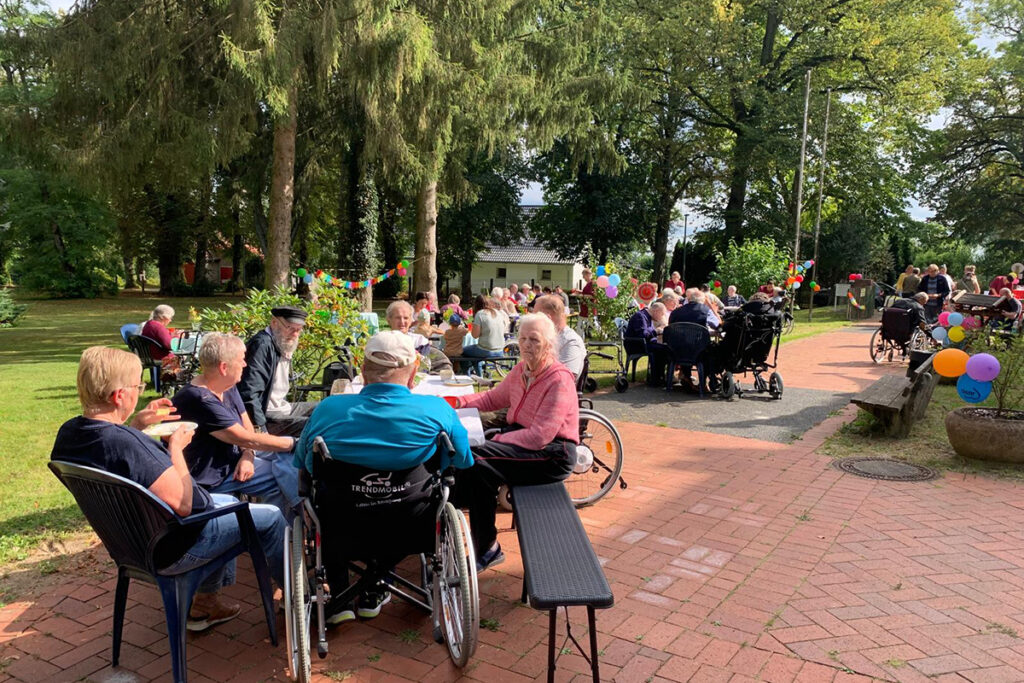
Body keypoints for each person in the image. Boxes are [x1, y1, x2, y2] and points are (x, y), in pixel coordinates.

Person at [52, 347, 285, 632]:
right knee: (271, 516)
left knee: (225, 499)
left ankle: (205, 605)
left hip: (129, 542)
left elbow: (116, 453)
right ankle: (299, 596)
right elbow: (186, 504)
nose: (141, 390)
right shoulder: (127, 445)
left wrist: (137, 422)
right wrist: (176, 449)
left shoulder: (70, 434)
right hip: (175, 544)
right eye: (138, 385)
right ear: (118, 396)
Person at [293, 332, 473, 624]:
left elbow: (304, 463)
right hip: (414, 524)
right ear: (413, 372)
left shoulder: (328, 410)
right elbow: (462, 459)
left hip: (344, 523)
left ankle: (340, 598)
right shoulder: (437, 409)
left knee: (323, 499)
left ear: (363, 371)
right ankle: (376, 584)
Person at [449, 314, 579, 571]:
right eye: (522, 338)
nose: (527, 345)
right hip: (523, 438)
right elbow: (492, 399)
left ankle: (485, 547)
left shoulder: (558, 379)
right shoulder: (521, 371)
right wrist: (456, 403)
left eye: (534, 339)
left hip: (553, 452)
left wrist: (497, 439)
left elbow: (540, 435)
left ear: (549, 344)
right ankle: (476, 538)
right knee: (470, 460)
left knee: (477, 458)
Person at [172, 333, 300, 517]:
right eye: (241, 360)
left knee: (286, 461)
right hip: (210, 476)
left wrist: (247, 455)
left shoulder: (226, 385)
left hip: (232, 457)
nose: (245, 364)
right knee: (282, 471)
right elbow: (245, 438)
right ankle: (279, 527)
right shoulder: (200, 399)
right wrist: (295, 444)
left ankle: (292, 523)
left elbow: (246, 427)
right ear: (224, 367)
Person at [238, 306, 317, 438]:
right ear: (274, 323)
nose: (295, 334)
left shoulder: (281, 342)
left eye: (299, 330)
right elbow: (249, 393)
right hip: (267, 415)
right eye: (290, 328)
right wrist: (260, 429)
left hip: (283, 407)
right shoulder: (262, 345)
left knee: (326, 408)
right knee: (316, 425)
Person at [384, 300, 452, 374]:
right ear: (388, 320)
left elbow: (437, 366)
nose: (402, 322)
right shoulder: (382, 342)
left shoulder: (419, 341)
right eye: (397, 318)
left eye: (406, 318)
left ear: (411, 320)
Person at [534, 295, 585, 379]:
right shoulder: (547, 338)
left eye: (535, 316)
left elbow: (566, 379)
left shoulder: (570, 341)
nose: (532, 320)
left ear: (547, 317)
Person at [463, 295, 506, 370]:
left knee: (462, 351)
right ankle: (479, 376)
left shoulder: (480, 314)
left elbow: (475, 335)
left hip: (486, 350)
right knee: (475, 353)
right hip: (500, 350)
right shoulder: (498, 313)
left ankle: (467, 375)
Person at [141, 304, 182, 383]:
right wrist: (177, 336)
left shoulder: (149, 324)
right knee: (186, 354)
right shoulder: (158, 327)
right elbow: (170, 346)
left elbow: (160, 338)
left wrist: (171, 335)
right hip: (160, 356)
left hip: (149, 354)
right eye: (170, 317)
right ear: (164, 317)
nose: (170, 320)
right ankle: (176, 379)